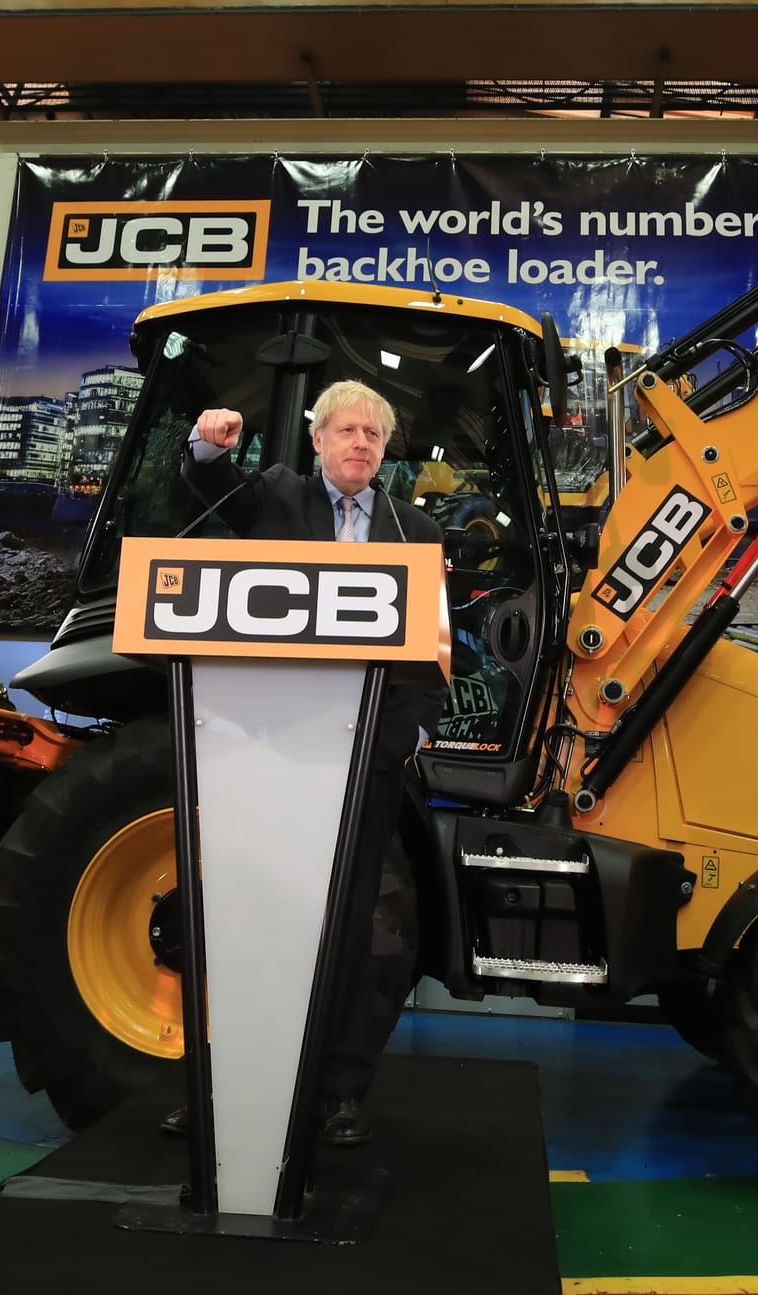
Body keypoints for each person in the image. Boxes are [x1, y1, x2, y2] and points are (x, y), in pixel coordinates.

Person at [167, 377, 445, 1147]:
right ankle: (229, 1088)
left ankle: (339, 1092)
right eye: (347, 430)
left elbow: (433, 649)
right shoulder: (276, 495)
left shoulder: (414, 529)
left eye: (373, 434)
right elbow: (207, 484)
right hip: (273, 752)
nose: (361, 443)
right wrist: (207, 444)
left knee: (354, 929)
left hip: (365, 761)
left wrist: (407, 738)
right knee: (254, 919)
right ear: (318, 439)